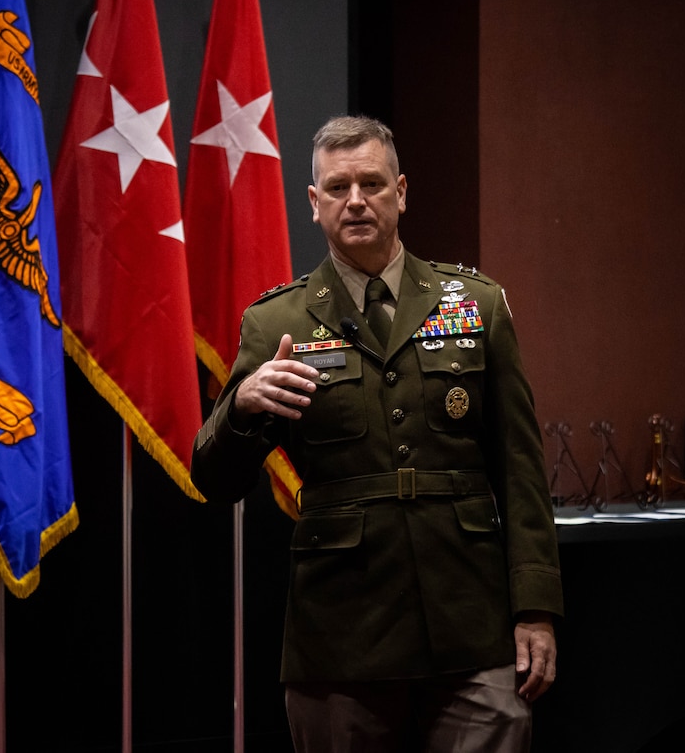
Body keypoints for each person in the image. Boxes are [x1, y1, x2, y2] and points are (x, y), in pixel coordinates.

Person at [190, 115, 563, 752]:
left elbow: (521, 469)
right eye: (337, 187)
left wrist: (536, 609)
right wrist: (243, 409)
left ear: (402, 192)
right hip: (342, 635)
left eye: (372, 183)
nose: (356, 200)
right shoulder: (274, 321)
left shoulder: (475, 304)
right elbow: (213, 479)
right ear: (313, 203)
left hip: (470, 624)